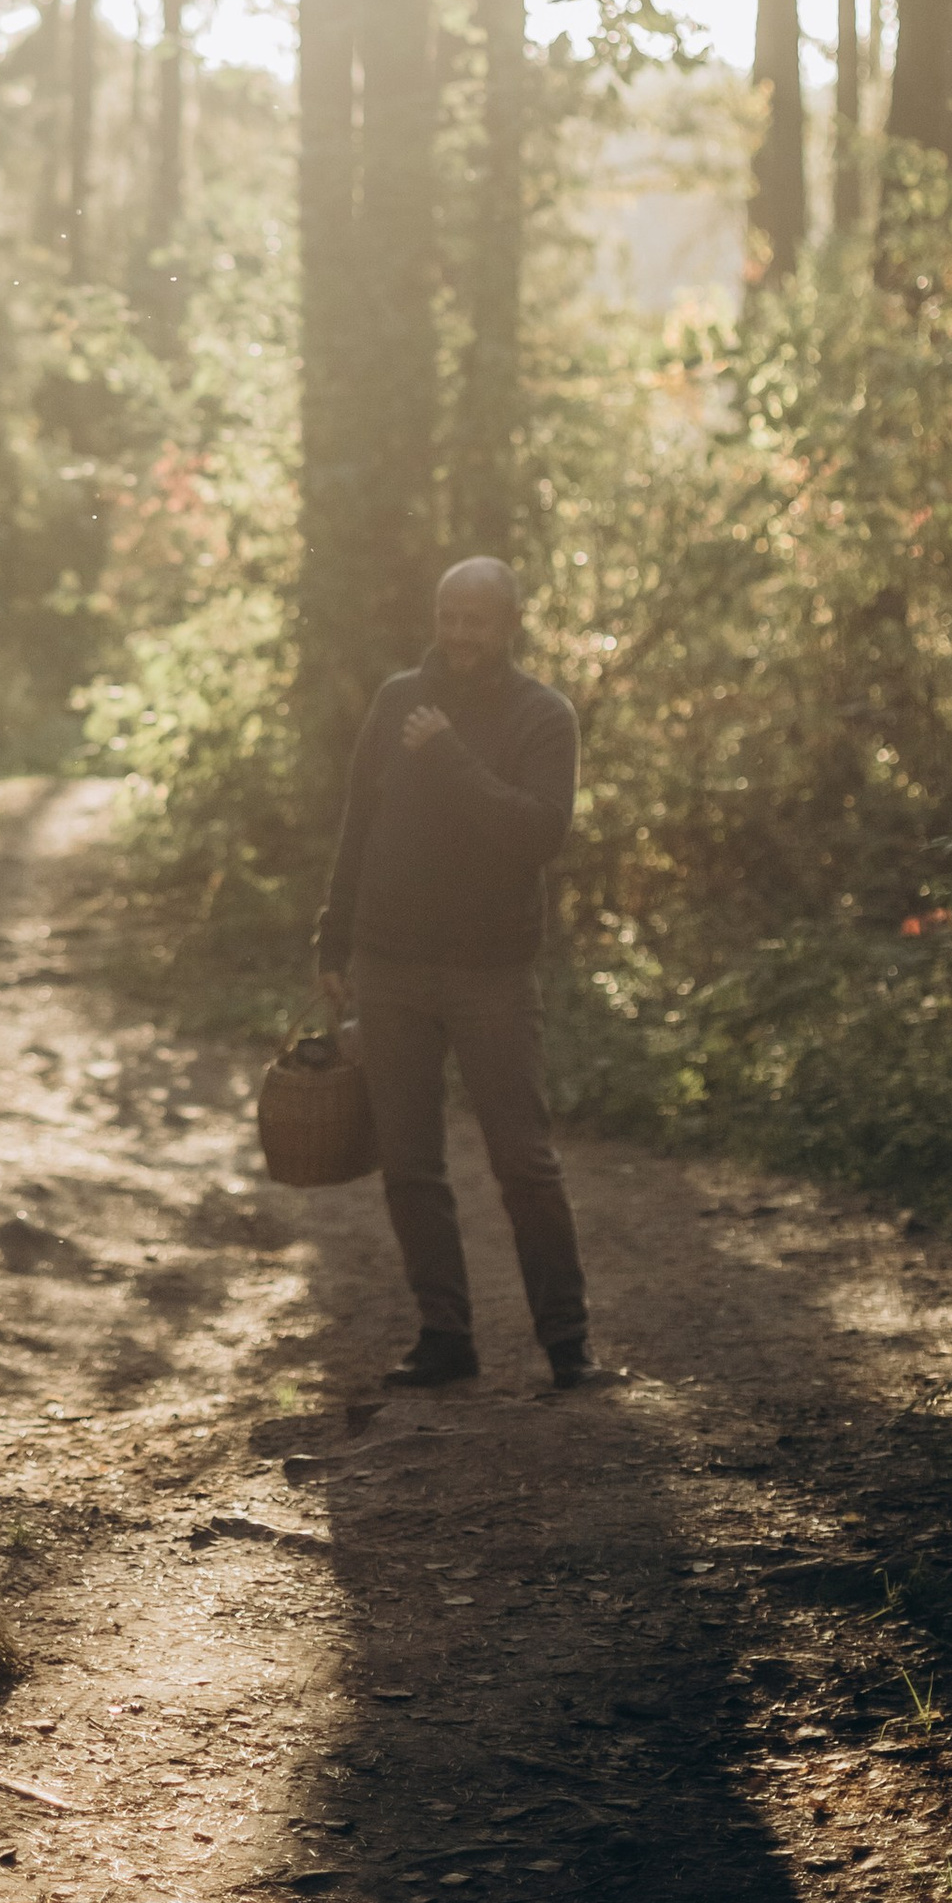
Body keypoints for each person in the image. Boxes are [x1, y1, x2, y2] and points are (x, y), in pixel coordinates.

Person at [315, 558, 599, 1392]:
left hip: (491, 975)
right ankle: (445, 1336)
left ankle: (569, 1344)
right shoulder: (396, 697)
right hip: (388, 961)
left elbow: (537, 834)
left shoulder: (543, 716)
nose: (460, 633)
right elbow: (358, 820)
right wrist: (333, 940)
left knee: (524, 1162)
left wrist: (447, 757)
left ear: (509, 623)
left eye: (477, 618)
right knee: (408, 1162)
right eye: (449, 614)